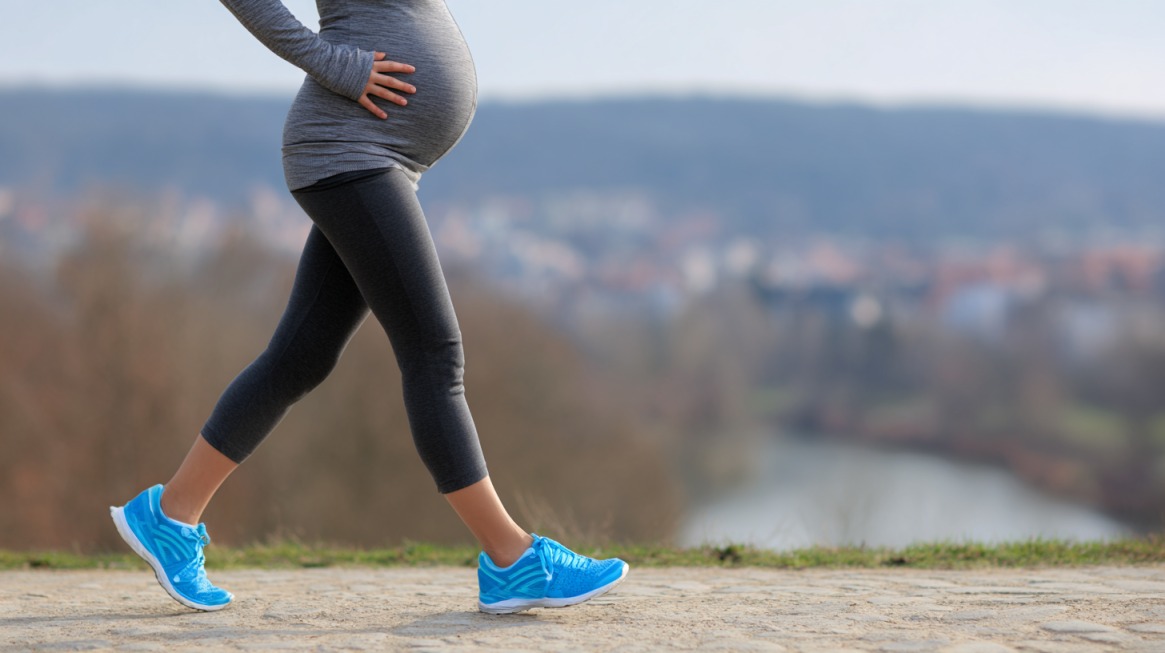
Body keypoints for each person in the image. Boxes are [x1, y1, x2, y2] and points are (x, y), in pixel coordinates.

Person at [108, 0, 628, 614]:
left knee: (299, 358)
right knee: (435, 356)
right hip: (350, 150)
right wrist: (338, 66)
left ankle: (171, 516)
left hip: (377, 157)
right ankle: (512, 557)